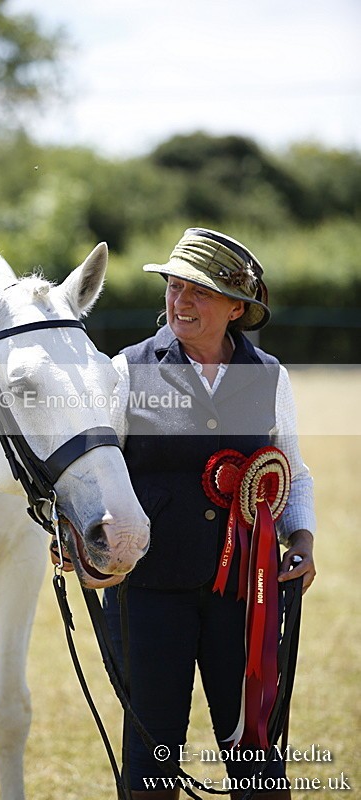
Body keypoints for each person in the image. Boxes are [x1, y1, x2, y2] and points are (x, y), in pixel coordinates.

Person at [104, 227, 316, 800]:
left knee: (256, 756)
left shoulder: (269, 375)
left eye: (199, 291)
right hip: (147, 591)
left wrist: (301, 538)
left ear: (236, 308)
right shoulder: (126, 370)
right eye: (174, 286)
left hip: (247, 595)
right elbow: (100, 474)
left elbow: (292, 472)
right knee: (152, 756)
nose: (181, 301)